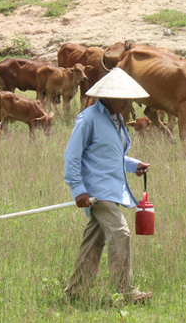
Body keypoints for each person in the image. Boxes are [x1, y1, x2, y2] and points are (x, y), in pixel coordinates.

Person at [63, 67, 152, 303]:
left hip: (113, 189)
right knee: (121, 233)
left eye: (129, 97)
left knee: (94, 241)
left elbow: (108, 155)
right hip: (96, 191)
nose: (127, 102)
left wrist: (133, 165)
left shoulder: (116, 119)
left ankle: (75, 291)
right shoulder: (89, 118)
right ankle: (125, 291)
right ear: (108, 96)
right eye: (122, 98)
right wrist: (78, 189)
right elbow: (72, 156)